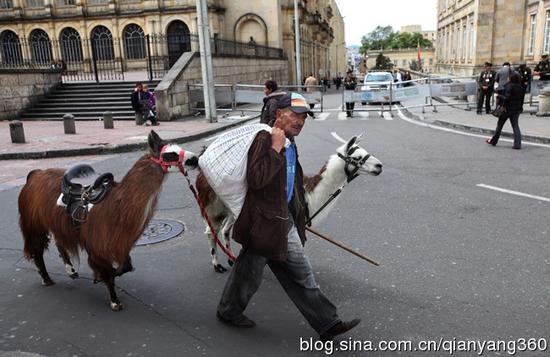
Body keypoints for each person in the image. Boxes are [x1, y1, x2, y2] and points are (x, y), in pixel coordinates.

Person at [216, 92, 361, 341]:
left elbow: (290, 184)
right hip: (264, 223)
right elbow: (258, 179)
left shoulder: (290, 141)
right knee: (253, 273)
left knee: (290, 272)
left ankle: (327, 323)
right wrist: (274, 147)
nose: (300, 121)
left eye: (304, 117)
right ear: (278, 114)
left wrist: (298, 215)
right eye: (295, 115)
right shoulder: (263, 139)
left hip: (283, 221)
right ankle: (229, 312)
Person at [486, 73, 524, 150]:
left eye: (508, 77)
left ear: (511, 78)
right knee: (515, 126)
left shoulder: (509, 86)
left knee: (499, 125)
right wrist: (520, 108)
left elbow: (507, 98)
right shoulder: (520, 87)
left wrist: (499, 96)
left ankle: (494, 141)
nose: (507, 78)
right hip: (516, 109)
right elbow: (521, 99)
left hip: (506, 109)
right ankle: (517, 144)